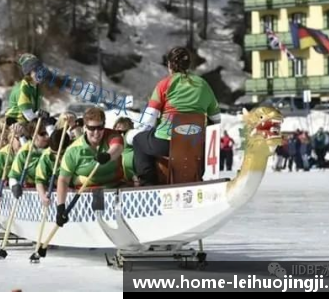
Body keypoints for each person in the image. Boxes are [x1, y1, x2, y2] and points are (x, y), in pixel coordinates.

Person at [129, 46, 221, 186]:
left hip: (167, 142)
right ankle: (196, 178)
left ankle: (148, 184)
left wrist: (136, 130)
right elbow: (216, 119)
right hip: (194, 143)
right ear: (189, 64)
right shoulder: (203, 85)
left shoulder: (164, 84)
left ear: (169, 65)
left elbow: (148, 119)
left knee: (138, 140)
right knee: (197, 147)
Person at [55, 107, 124, 227]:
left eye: (100, 128)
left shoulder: (112, 135)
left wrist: (107, 156)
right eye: (92, 128)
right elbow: (63, 180)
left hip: (114, 188)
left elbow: (117, 147)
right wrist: (61, 207)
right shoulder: (73, 151)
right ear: (85, 128)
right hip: (86, 193)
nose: (96, 133)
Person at [9, 120, 53, 199]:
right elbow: (13, 176)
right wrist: (14, 186)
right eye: (42, 134)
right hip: (31, 196)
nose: (47, 137)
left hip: (51, 192)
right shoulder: (25, 151)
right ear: (33, 134)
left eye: (48, 133)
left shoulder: (53, 149)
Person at [5, 53, 50, 126]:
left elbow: (34, 111)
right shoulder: (24, 88)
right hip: (15, 124)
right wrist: (43, 123)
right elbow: (29, 115)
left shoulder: (36, 87)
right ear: (29, 73)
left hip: (26, 123)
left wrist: (41, 114)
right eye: (36, 71)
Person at [35, 128, 71, 207]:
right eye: (54, 153)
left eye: (60, 154)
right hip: (58, 198)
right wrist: (43, 196)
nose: (57, 157)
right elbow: (39, 180)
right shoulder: (46, 156)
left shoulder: (73, 151)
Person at [113, 117, 137, 185]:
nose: (118, 132)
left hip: (134, 176)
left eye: (121, 131)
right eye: (116, 129)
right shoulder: (114, 140)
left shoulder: (129, 135)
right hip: (122, 178)